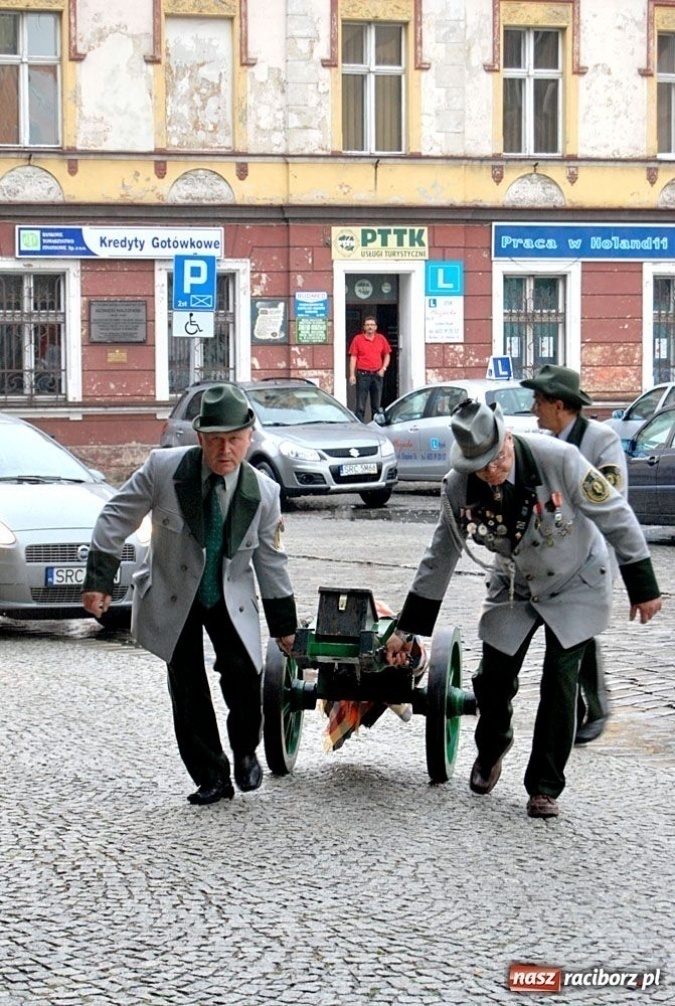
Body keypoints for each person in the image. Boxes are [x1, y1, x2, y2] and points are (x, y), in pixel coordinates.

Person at [385, 399, 662, 819]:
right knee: (492, 677)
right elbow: (439, 557)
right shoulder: (457, 486)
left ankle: (544, 786)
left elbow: (615, 515)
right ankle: (493, 745)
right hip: (515, 581)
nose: (492, 472)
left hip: (576, 581)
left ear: (508, 439)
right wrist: (408, 630)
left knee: (560, 681)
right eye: (480, 465)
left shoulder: (560, 460)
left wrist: (643, 586)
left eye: (497, 459)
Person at [82, 384, 297, 806]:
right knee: (187, 686)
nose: (225, 450)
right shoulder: (163, 469)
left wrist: (284, 627)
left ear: (249, 437)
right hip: (171, 592)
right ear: (199, 438)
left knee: (243, 676)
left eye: (234, 439)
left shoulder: (264, 493)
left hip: (228, 596)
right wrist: (98, 582)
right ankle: (211, 776)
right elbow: (114, 516)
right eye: (215, 439)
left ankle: (244, 750)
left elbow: (271, 561)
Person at [521, 364, 627, 744]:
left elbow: (611, 499)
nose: (534, 408)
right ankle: (576, 708)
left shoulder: (601, 440)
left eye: (539, 400)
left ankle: (596, 706)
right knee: (567, 632)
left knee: (580, 630)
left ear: (560, 405)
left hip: (590, 553)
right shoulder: (544, 439)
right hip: (554, 553)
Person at [348, 316, 391, 421]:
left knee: (376, 406)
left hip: (377, 375)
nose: (370, 327)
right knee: (360, 406)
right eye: (367, 325)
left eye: (372, 325)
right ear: (364, 327)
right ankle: (360, 429)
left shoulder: (381, 339)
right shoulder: (358, 339)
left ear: (376, 327)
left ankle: (375, 428)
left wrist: (383, 369)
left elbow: (387, 355)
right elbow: (353, 357)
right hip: (363, 375)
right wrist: (352, 374)